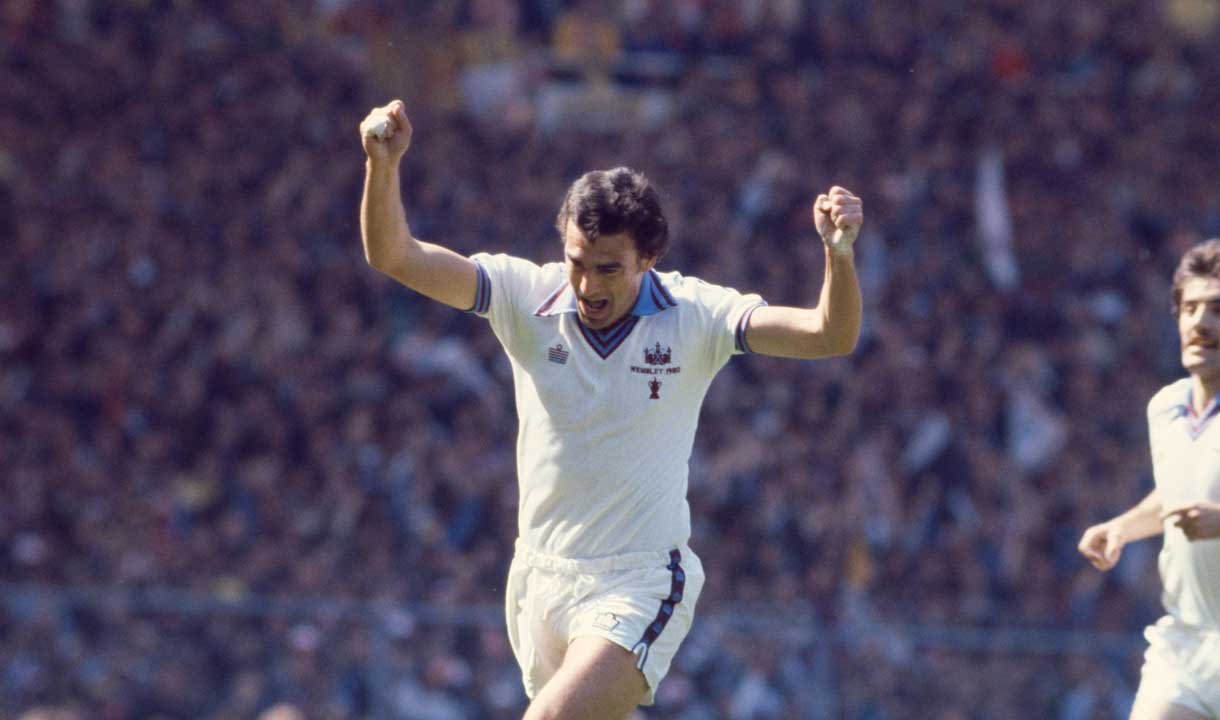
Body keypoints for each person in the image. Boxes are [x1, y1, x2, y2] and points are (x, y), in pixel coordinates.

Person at [358, 99, 863, 719]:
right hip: (539, 578)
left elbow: (828, 335)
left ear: (647, 259)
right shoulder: (523, 293)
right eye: (576, 263)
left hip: (640, 580)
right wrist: (382, 166)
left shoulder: (697, 315)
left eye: (608, 270)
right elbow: (393, 256)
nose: (589, 285)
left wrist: (838, 257)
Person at [1078, 238, 1220, 720]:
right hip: (1188, 640)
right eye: (1191, 309)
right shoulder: (1165, 407)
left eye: (1217, 310)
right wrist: (1122, 527)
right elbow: (1180, 494)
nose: (1201, 323)